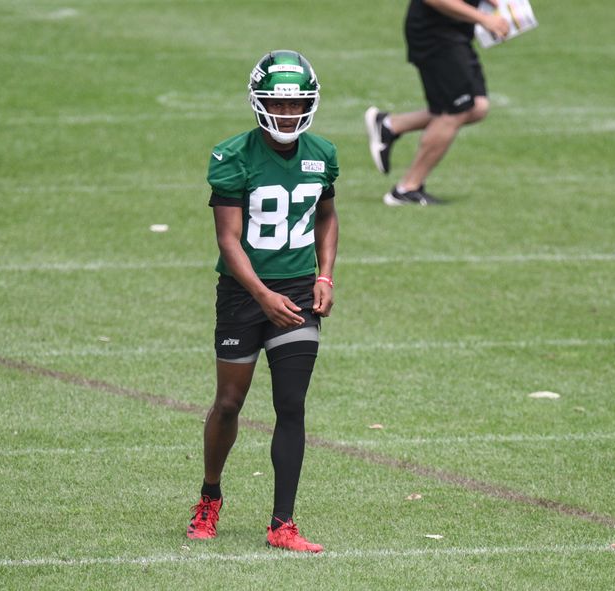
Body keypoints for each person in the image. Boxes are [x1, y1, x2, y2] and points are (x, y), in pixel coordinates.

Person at [186, 50, 339, 553]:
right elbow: (228, 242)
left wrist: (326, 275)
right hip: (244, 293)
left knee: (291, 405)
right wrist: (262, 295)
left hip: (296, 292)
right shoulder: (232, 156)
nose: (288, 114)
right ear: (259, 101)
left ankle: (283, 524)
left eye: (296, 105)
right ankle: (210, 495)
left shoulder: (322, 153)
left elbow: (327, 216)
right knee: (229, 403)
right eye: (278, 102)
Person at [365, 0, 509, 205]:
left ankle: (390, 125)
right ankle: (406, 189)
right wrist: (484, 18)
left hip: (456, 32)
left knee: (477, 107)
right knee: (456, 111)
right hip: (434, 35)